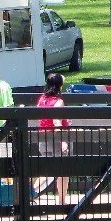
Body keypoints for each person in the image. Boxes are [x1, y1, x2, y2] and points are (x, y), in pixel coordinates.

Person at [36, 73, 70, 205]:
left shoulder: (41, 99)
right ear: (59, 86)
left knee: (46, 171)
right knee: (62, 171)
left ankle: (31, 192)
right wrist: (63, 142)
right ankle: (61, 201)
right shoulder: (58, 102)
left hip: (43, 138)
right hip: (56, 139)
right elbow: (57, 123)